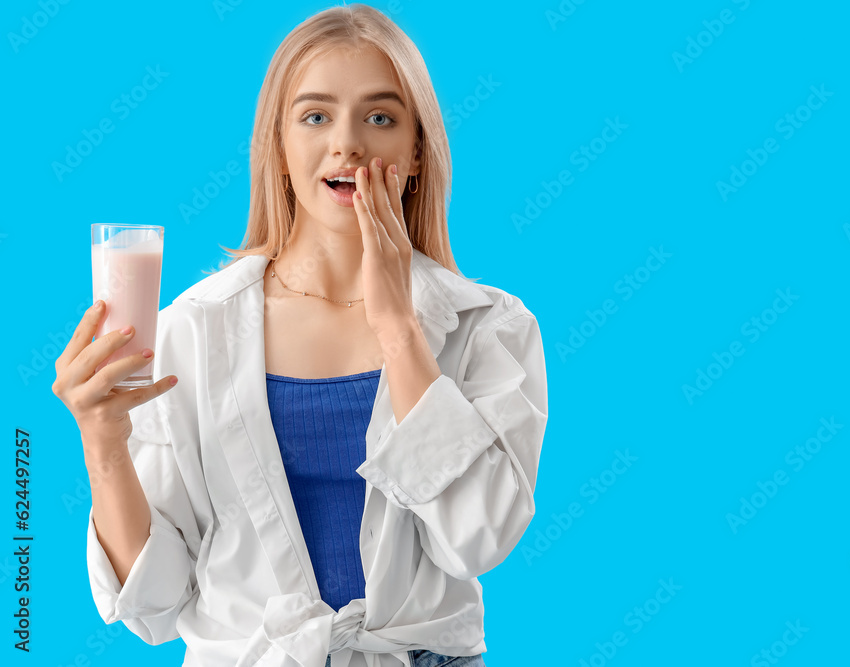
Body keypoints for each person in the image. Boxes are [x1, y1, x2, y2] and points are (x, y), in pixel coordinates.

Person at [51, 5, 548, 666]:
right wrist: (103, 442)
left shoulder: (490, 326)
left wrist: (398, 325)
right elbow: (156, 604)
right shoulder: (191, 330)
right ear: (279, 151)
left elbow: (477, 538)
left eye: (380, 117)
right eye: (316, 116)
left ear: (418, 152)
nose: (347, 145)